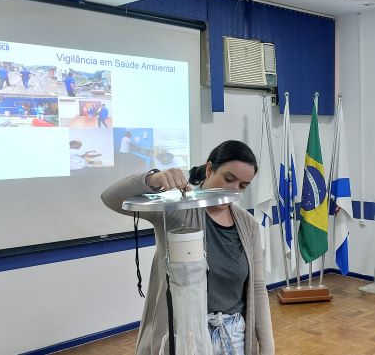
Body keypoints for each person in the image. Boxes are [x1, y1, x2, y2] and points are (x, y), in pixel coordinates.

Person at [101, 140, 275, 355]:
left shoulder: (248, 225)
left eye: (242, 185)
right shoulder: (178, 209)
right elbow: (110, 198)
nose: (233, 190)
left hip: (234, 337)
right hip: (185, 336)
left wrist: (267, 348)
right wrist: (152, 179)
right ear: (209, 169)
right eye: (229, 179)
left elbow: (257, 287)